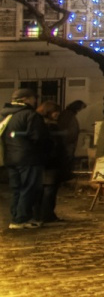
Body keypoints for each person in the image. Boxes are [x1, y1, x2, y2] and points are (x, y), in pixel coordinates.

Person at [1, 93, 47, 229]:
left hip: (10, 157)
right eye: (33, 98)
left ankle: (15, 217)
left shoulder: (5, 115)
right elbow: (38, 137)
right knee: (28, 188)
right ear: (27, 99)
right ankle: (22, 219)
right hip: (28, 157)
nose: (35, 101)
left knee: (16, 189)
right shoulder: (30, 115)